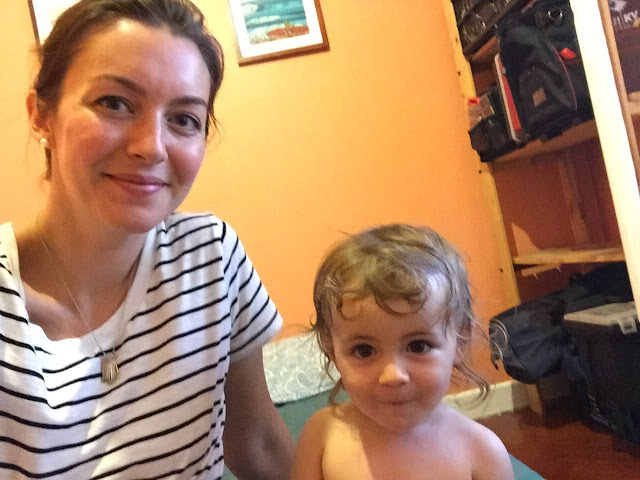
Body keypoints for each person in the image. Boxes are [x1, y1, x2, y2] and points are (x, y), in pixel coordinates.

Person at [0, 0, 293, 478]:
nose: (151, 146)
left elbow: (257, 444)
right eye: (114, 103)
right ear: (41, 114)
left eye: (184, 119)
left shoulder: (211, 256)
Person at [291, 224, 515, 479]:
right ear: (332, 351)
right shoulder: (323, 435)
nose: (393, 375)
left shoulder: (481, 451)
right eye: (364, 350)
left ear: (460, 341)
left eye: (418, 346)